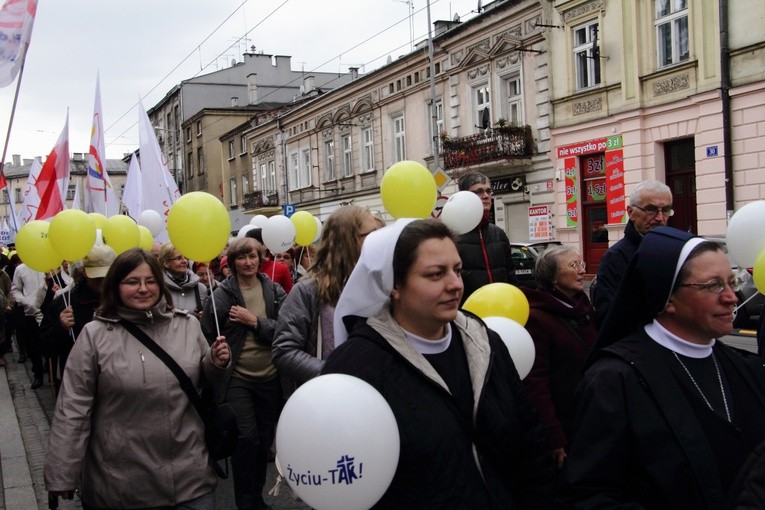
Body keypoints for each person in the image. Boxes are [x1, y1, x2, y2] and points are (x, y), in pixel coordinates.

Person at [324, 219, 553, 508]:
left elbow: (530, 440)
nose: (456, 285)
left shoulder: (484, 341)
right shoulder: (357, 366)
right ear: (394, 284)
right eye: (436, 274)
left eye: (457, 270)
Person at [557, 227, 765, 508]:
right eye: (713, 285)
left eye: (732, 282)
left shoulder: (743, 367)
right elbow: (590, 496)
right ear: (666, 298)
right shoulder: (614, 381)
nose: (732, 297)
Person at [44, 248, 231, 509]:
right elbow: (73, 408)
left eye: (150, 281)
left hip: (190, 478)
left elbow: (205, 383)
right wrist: (62, 472)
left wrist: (215, 363)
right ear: (115, 287)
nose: (143, 289)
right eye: (132, 282)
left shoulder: (187, 325)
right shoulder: (95, 336)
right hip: (123, 484)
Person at [201, 237, 286, 510]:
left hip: (271, 376)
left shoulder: (273, 290)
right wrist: (218, 353)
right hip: (238, 377)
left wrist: (255, 322)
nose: (248, 262)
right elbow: (206, 332)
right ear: (232, 262)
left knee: (263, 441)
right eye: (242, 257)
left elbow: (286, 330)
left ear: (261, 259)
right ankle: (245, 502)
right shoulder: (222, 295)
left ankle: (256, 496)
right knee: (246, 438)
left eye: (253, 256)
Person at [272, 206, 377, 390]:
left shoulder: (379, 285)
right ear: (348, 240)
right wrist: (333, 372)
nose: (379, 240)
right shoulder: (307, 290)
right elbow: (284, 350)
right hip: (327, 395)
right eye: (372, 234)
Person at [521, 246, 598, 470]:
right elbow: (536, 383)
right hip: (566, 425)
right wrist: (554, 435)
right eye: (574, 266)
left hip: (592, 415)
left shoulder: (584, 309)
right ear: (552, 277)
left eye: (581, 264)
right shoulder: (537, 319)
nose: (582, 271)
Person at [592, 179, 673, 326]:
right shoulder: (615, 258)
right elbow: (608, 315)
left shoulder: (677, 250)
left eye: (666, 210)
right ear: (631, 212)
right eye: (651, 210)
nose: (660, 218)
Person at [39, 245, 117, 391]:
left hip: (118, 383)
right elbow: (44, 346)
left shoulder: (126, 300)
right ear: (84, 272)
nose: (102, 279)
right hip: (77, 383)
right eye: (97, 275)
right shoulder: (63, 302)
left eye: (107, 274)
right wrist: (60, 327)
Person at [455, 171, 516, 304]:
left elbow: (510, 275)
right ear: (464, 196)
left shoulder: (498, 233)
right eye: (479, 192)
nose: (486, 196)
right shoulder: (454, 235)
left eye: (488, 191)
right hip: (468, 312)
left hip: (501, 308)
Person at [11, 259, 45, 388]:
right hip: (30, 313)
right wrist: (25, 301)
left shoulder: (50, 265)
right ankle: (38, 374)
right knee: (33, 345)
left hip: (48, 310)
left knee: (49, 343)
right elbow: (15, 290)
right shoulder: (21, 269)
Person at [158, 242, 208, 317]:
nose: (185, 261)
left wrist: (205, 317)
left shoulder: (200, 288)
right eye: (179, 258)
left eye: (185, 257)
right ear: (166, 263)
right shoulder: (158, 288)